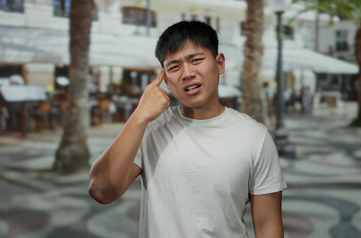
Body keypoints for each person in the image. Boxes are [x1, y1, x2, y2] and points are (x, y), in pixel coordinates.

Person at [89, 20, 287, 238]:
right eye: (174, 66)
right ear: (164, 78)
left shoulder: (255, 137)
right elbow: (101, 191)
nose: (187, 73)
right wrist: (139, 116)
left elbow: (268, 225)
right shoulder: (150, 129)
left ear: (219, 63)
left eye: (196, 60)